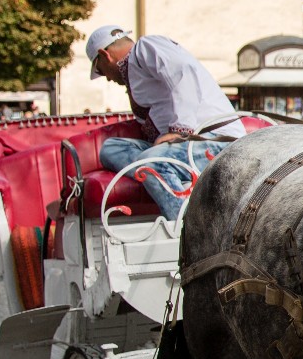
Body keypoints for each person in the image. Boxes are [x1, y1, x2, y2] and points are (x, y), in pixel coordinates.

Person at [87, 24, 246, 220]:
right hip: (178, 148)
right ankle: (162, 169)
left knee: (151, 163)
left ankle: (185, 231)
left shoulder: (145, 47)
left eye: (101, 71)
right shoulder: (134, 75)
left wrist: (179, 129)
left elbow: (183, 73)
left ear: (105, 55)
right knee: (110, 148)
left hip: (214, 141)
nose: (108, 79)